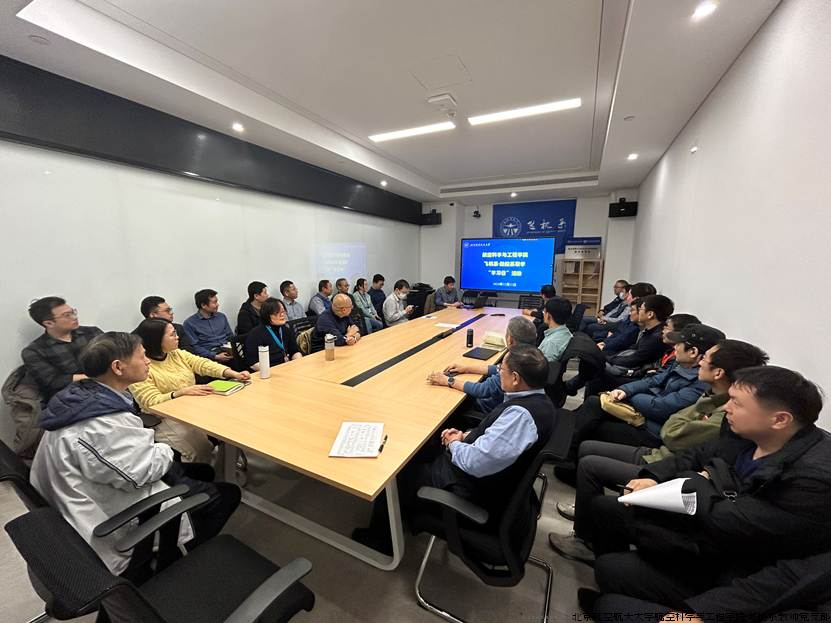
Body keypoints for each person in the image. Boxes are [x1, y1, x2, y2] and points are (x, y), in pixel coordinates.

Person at [582, 366, 830, 610]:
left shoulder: (812, 481)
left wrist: (699, 479)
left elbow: (728, 520)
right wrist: (654, 476)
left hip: (730, 565)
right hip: (700, 525)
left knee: (611, 572)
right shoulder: (746, 433)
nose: (725, 407)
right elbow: (699, 454)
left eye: (736, 403)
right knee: (607, 508)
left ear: (779, 419)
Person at [29, 332, 240, 579]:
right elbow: (140, 474)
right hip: (109, 515)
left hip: (100, 485)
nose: (148, 361)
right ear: (118, 367)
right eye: (142, 357)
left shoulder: (85, 394)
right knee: (226, 495)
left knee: (203, 471)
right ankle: (171, 569)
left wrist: (154, 446)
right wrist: (162, 446)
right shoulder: (100, 423)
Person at [551, 338, 769, 539]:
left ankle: (586, 535)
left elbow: (671, 432)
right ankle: (587, 511)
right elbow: (672, 415)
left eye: (706, 358)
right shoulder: (710, 393)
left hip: (664, 456)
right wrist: (627, 391)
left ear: (719, 372)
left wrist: (632, 398)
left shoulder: (721, 410)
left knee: (591, 459)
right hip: (663, 454)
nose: (701, 361)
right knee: (588, 443)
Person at [353, 344, 555, 553]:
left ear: (515, 378)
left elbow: (475, 462)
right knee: (423, 449)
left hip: (473, 491)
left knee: (396, 471)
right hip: (493, 480)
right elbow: (497, 441)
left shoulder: (520, 417)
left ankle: (381, 541)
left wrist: (453, 443)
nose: (498, 373)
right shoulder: (538, 400)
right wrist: (465, 436)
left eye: (501, 370)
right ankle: (407, 512)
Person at [569, 323, 722, 454]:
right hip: (645, 414)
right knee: (594, 403)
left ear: (693, 352)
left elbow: (663, 408)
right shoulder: (679, 363)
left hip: (655, 430)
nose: (674, 347)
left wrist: (630, 397)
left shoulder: (702, 382)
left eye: (678, 344)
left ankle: (570, 456)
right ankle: (566, 449)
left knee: (595, 426)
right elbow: (653, 380)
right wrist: (626, 390)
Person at [579, 550, 831, 620]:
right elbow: (784, 579)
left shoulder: (811, 477)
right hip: (726, 577)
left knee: (610, 605)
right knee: (610, 575)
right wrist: (700, 613)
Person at [131, 319, 250, 462]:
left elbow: (202, 364)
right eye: (172, 334)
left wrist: (233, 373)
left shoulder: (176, 354)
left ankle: (225, 466)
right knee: (200, 450)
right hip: (166, 418)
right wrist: (181, 392)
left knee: (231, 426)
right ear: (156, 340)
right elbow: (150, 401)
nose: (177, 337)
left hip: (191, 407)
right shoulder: (141, 366)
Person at [427, 316, 538, 413]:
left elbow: (482, 390)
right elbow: (497, 369)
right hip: (508, 405)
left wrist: (448, 381)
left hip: (490, 409)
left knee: (450, 400)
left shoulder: (512, 364)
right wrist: (466, 368)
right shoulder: (531, 357)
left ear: (510, 340)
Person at [22, 297, 103, 401]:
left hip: (108, 387)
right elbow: (53, 382)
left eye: (73, 312)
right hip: (72, 397)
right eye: (67, 315)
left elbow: (116, 355)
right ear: (49, 323)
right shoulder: (34, 351)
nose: (74, 317)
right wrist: (95, 378)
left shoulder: (92, 333)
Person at [243, 298, 302, 369]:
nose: (282, 315)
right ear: (267, 315)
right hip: (268, 370)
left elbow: (295, 352)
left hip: (286, 367)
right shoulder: (256, 334)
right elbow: (253, 363)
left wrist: (299, 364)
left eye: (283, 311)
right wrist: (272, 371)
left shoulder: (285, 329)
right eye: (277, 313)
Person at [182, 289, 234, 364]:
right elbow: (195, 346)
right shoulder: (189, 323)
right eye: (214, 302)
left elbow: (230, 336)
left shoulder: (221, 317)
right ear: (203, 305)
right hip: (209, 355)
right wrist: (215, 356)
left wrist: (233, 349)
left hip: (227, 349)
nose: (217, 305)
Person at [538, 296, 573, 362]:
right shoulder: (566, 332)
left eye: (544, 312)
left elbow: (544, 366)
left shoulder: (550, 343)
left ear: (548, 315)